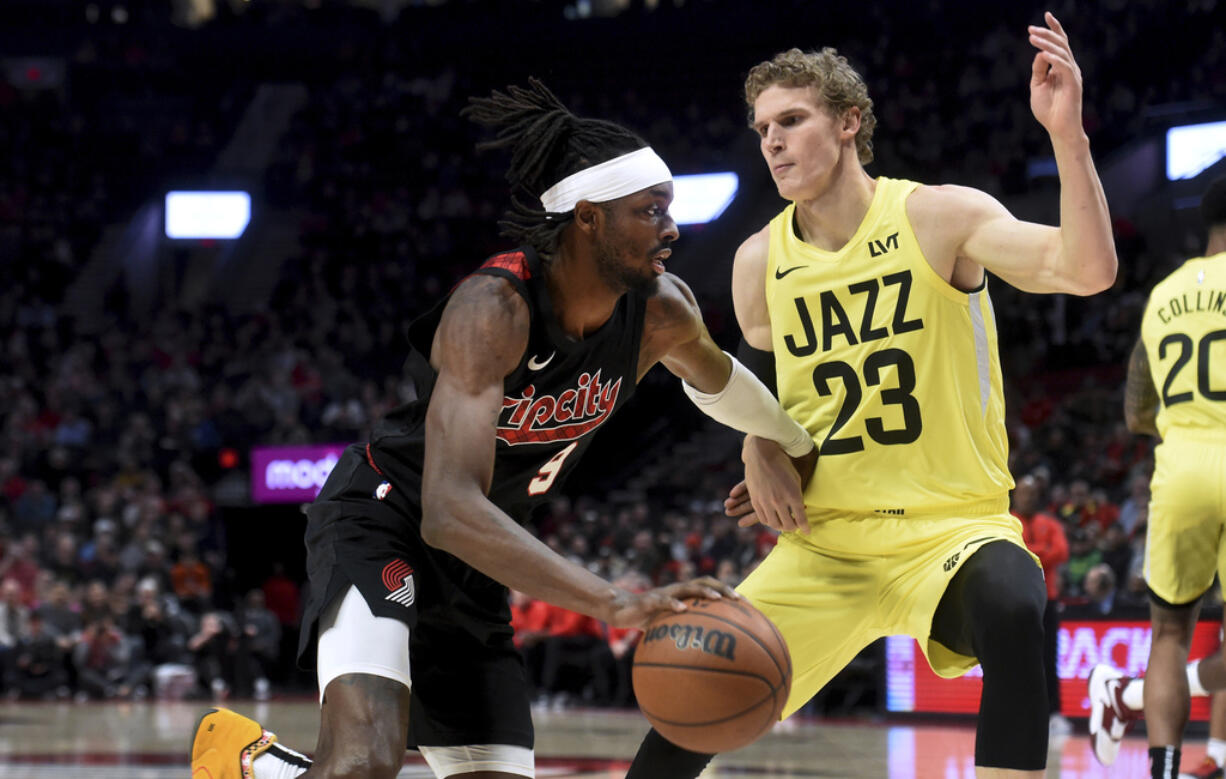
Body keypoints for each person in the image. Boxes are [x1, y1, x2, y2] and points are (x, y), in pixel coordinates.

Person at [190, 79, 819, 779]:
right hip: (384, 522)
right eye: (650, 211)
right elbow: (448, 509)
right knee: (364, 764)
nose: (671, 229)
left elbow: (723, 384)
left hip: (477, 569)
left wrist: (792, 444)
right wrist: (615, 598)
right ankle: (247, 763)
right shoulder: (493, 308)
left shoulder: (663, 309)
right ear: (588, 218)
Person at [623, 12, 1115, 779]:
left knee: (1016, 605)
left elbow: (1086, 271)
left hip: (949, 531)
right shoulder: (758, 262)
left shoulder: (939, 215)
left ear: (850, 122)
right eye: (761, 129)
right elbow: (764, 396)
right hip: (825, 544)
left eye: (792, 120)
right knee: (692, 694)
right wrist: (759, 445)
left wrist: (1067, 136)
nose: (773, 142)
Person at [1087, 175, 1226, 778]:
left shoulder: (1165, 293)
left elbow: (1136, 408)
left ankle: (1162, 765)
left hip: (1181, 464)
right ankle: (1129, 699)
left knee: (1169, 633)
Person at [1012, 473, 1070, 735]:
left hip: (1047, 600)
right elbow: (1009, 551)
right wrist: (1042, 550)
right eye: (1024, 492)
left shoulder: (1050, 522)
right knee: (1015, 658)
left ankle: (1054, 713)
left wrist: (1028, 550)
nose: (1028, 497)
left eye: (1033, 493)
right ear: (1015, 495)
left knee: (1048, 658)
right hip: (1015, 599)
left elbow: (1062, 551)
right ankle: (1018, 711)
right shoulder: (1007, 521)